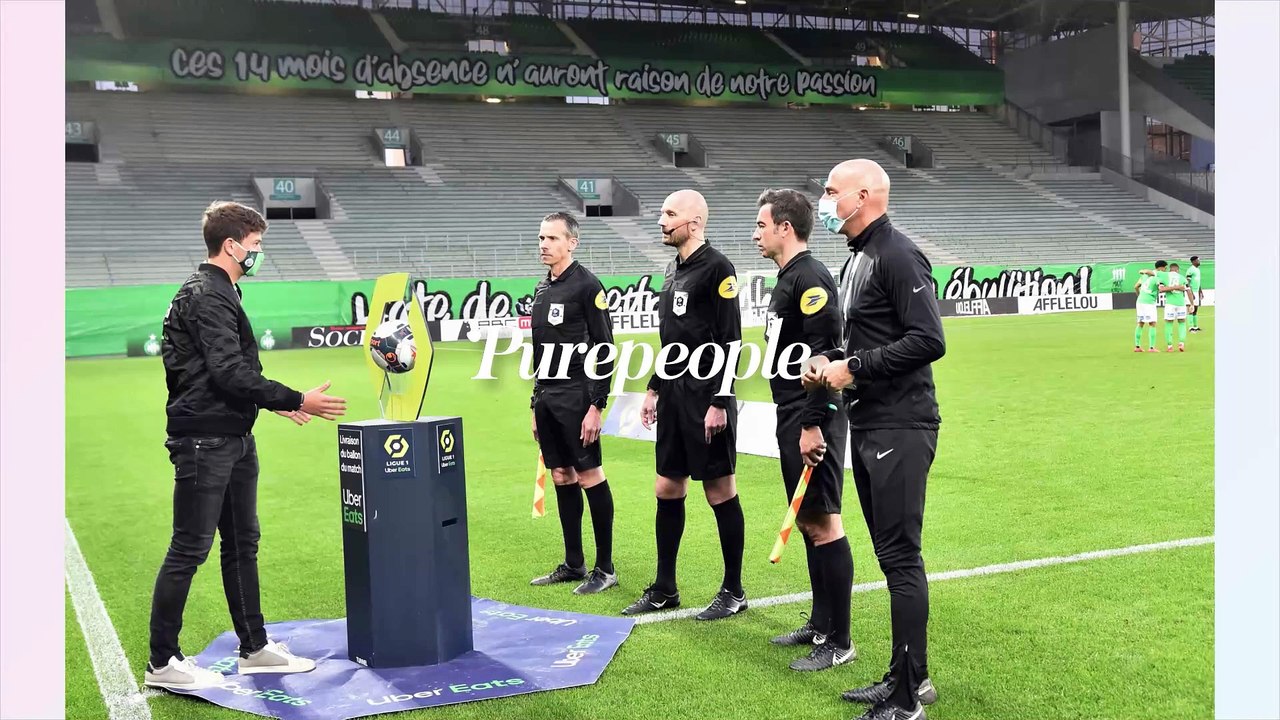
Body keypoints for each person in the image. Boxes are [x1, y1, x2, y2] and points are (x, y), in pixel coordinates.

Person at [146, 201, 347, 691]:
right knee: (190, 547)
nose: (259, 253)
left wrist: (273, 403)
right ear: (231, 245)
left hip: (230, 435)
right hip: (206, 441)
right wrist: (297, 397)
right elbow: (228, 371)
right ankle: (163, 661)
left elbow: (233, 372)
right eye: (255, 246)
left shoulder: (220, 291)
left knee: (242, 545)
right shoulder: (208, 295)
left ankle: (254, 648)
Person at [804, 159, 943, 720]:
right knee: (892, 557)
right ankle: (911, 677)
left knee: (900, 558)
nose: (824, 200)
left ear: (863, 196)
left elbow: (929, 339)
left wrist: (854, 365)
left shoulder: (897, 254)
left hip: (902, 425)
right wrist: (831, 363)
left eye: (831, 191)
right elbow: (865, 342)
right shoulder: (857, 258)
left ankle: (908, 700)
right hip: (871, 421)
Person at [622, 189, 747, 621]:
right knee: (667, 487)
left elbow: (732, 340)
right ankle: (664, 588)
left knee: (719, 490)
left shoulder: (718, 268)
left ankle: (733, 590)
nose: (661, 220)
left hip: (706, 399)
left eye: (669, 214)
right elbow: (673, 342)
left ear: (694, 222)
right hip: (674, 398)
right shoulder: (674, 269)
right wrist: (655, 387)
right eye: (661, 213)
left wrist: (720, 401)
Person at [753, 188, 855, 672]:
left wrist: (813, 421)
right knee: (810, 522)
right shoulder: (788, 277)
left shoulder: (810, 276)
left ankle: (841, 639)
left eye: (761, 225)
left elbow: (828, 353)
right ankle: (819, 623)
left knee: (824, 521)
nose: (756, 233)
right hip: (790, 411)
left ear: (784, 228)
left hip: (810, 414)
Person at [528, 211, 619, 595]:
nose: (544, 244)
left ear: (572, 243)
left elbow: (605, 349)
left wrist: (596, 405)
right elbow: (539, 352)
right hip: (548, 398)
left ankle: (606, 567)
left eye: (552, 238)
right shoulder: (542, 288)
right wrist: (535, 403)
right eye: (541, 238)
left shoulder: (587, 286)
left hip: (578, 396)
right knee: (561, 476)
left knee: (589, 476)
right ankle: (575, 563)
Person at [1134, 261, 1164, 352]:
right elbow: (1161, 288)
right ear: (1161, 268)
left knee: (1140, 323)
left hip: (1140, 301)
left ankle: (1137, 346)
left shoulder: (1144, 276)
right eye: (1165, 268)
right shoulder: (1157, 277)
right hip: (1149, 302)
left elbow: (1136, 286)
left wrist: (1140, 295)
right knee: (1152, 323)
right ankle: (1152, 347)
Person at [1160, 262, 1190, 352]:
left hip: (1170, 303)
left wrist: (1171, 287)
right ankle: (1181, 343)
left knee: (1169, 323)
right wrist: (1192, 304)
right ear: (1177, 270)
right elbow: (1188, 291)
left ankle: (1169, 346)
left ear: (1170, 269)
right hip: (1181, 303)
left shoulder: (1165, 276)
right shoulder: (1182, 278)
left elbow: (1161, 289)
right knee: (1182, 323)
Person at [1185, 256, 1204, 333]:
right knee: (1190, 309)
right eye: (1197, 260)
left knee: (1195, 309)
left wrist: (1200, 291)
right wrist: (1191, 293)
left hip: (1196, 291)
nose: (1199, 261)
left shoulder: (1198, 270)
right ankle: (1190, 327)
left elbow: (1198, 281)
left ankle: (1195, 326)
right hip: (1191, 291)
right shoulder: (1190, 270)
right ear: (1193, 261)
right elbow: (1187, 282)